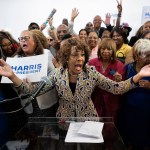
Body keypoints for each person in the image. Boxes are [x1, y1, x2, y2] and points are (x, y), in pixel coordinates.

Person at [0, 38, 150, 121]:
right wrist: (13, 76)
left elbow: (117, 88)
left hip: (88, 122)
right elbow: (31, 91)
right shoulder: (56, 74)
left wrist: (139, 75)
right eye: (75, 55)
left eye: (82, 55)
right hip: (64, 122)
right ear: (66, 57)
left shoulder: (91, 73)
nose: (80, 59)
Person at [13, 30, 58, 117]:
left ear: (35, 41)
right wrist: (19, 83)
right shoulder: (16, 59)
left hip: (47, 102)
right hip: (27, 104)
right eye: (21, 39)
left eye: (26, 38)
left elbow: (53, 74)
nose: (23, 40)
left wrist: (38, 83)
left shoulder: (46, 53)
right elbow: (12, 83)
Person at [118, 39, 150, 150]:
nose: (149, 59)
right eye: (146, 56)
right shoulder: (128, 68)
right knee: (128, 141)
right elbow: (121, 88)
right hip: (128, 113)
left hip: (146, 115)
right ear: (136, 56)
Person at [89, 38, 125, 123]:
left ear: (113, 51)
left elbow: (122, 89)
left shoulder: (119, 65)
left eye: (109, 49)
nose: (105, 51)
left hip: (111, 102)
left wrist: (119, 81)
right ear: (99, 50)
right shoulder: (92, 63)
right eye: (103, 49)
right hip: (94, 100)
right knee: (94, 126)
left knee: (109, 129)